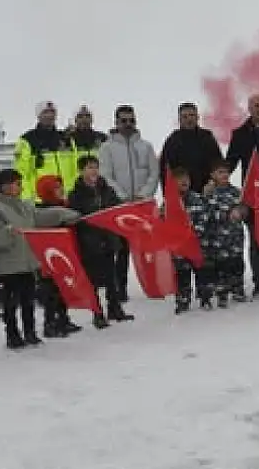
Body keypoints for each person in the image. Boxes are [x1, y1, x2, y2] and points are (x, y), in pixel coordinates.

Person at [0, 169, 79, 349]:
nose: (17, 186)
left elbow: (41, 217)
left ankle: (30, 332)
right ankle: (12, 334)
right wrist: (9, 232)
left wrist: (64, 214)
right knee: (11, 302)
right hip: (9, 265)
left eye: (19, 183)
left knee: (28, 300)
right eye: (13, 183)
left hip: (27, 261)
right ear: (2, 186)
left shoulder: (25, 206)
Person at [98, 104, 160, 302]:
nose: (128, 124)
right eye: (123, 120)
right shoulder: (107, 148)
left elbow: (154, 172)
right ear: (116, 122)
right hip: (121, 206)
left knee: (149, 247)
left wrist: (144, 194)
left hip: (143, 205)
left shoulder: (146, 146)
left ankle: (153, 284)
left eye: (131, 120)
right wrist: (122, 196)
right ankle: (120, 288)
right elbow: (106, 175)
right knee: (122, 250)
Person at [68, 155, 133, 328]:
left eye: (95, 167)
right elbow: (76, 216)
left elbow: (116, 207)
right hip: (89, 242)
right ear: (81, 171)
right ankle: (97, 312)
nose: (93, 171)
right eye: (89, 167)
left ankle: (114, 308)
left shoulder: (107, 189)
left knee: (111, 277)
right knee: (92, 281)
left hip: (108, 238)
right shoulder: (76, 194)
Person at [225, 95, 259, 295]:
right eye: (257, 106)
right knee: (255, 241)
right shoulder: (240, 134)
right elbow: (230, 162)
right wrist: (217, 180)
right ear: (250, 109)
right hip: (252, 194)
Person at [33, 175, 82, 337]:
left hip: (64, 256)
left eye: (61, 186)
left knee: (64, 289)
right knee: (50, 291)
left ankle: (63, 318)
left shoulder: (65, 206)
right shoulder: (42, 211)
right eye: (55, 187)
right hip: (49, 260)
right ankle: (50, 322)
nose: (60, 190)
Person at [201, 161, 248, 306]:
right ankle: (222, 292)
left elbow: (245, 209)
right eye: (220, 172)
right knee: (221, 265)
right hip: (217, 239)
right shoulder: (209, 193)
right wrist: (225, 215)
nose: (224, 175)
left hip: (235, 237)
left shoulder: (236, 192)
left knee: (236, 263)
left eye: (226, 172)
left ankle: (238, 289)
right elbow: (205, 213)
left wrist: (240, 212)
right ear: (213, 175)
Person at [15, 101, 81, 201]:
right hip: (41, 198)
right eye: (45, 112)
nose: (50, 115)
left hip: (67, 197)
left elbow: (77, 167)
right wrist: (26, 197)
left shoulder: (66, 139)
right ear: (39, 116)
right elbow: (22, 172)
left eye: (52, 112)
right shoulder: (27, 140)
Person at [164, 166, 207, 312]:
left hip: (195, 244)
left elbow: (203, 218)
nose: (184, 181)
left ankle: (204, 297)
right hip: (179, 248)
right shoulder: (168, 203)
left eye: (186, 178)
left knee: (201, 272)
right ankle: (183, 299)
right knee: (182, 274)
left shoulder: (197, 198)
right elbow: (164, 223)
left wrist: (196, 233)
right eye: (180, 179)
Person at [158, 102, 224, 194]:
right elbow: (165, 170)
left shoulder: (207, 137)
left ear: (197, 117)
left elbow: (218, 163)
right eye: (184, 116)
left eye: (192, 115)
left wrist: (214, 183)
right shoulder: (172, 140)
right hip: (182, 194)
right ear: (179, 119)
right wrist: (168, 194)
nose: (189, 119)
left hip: (208, 191)